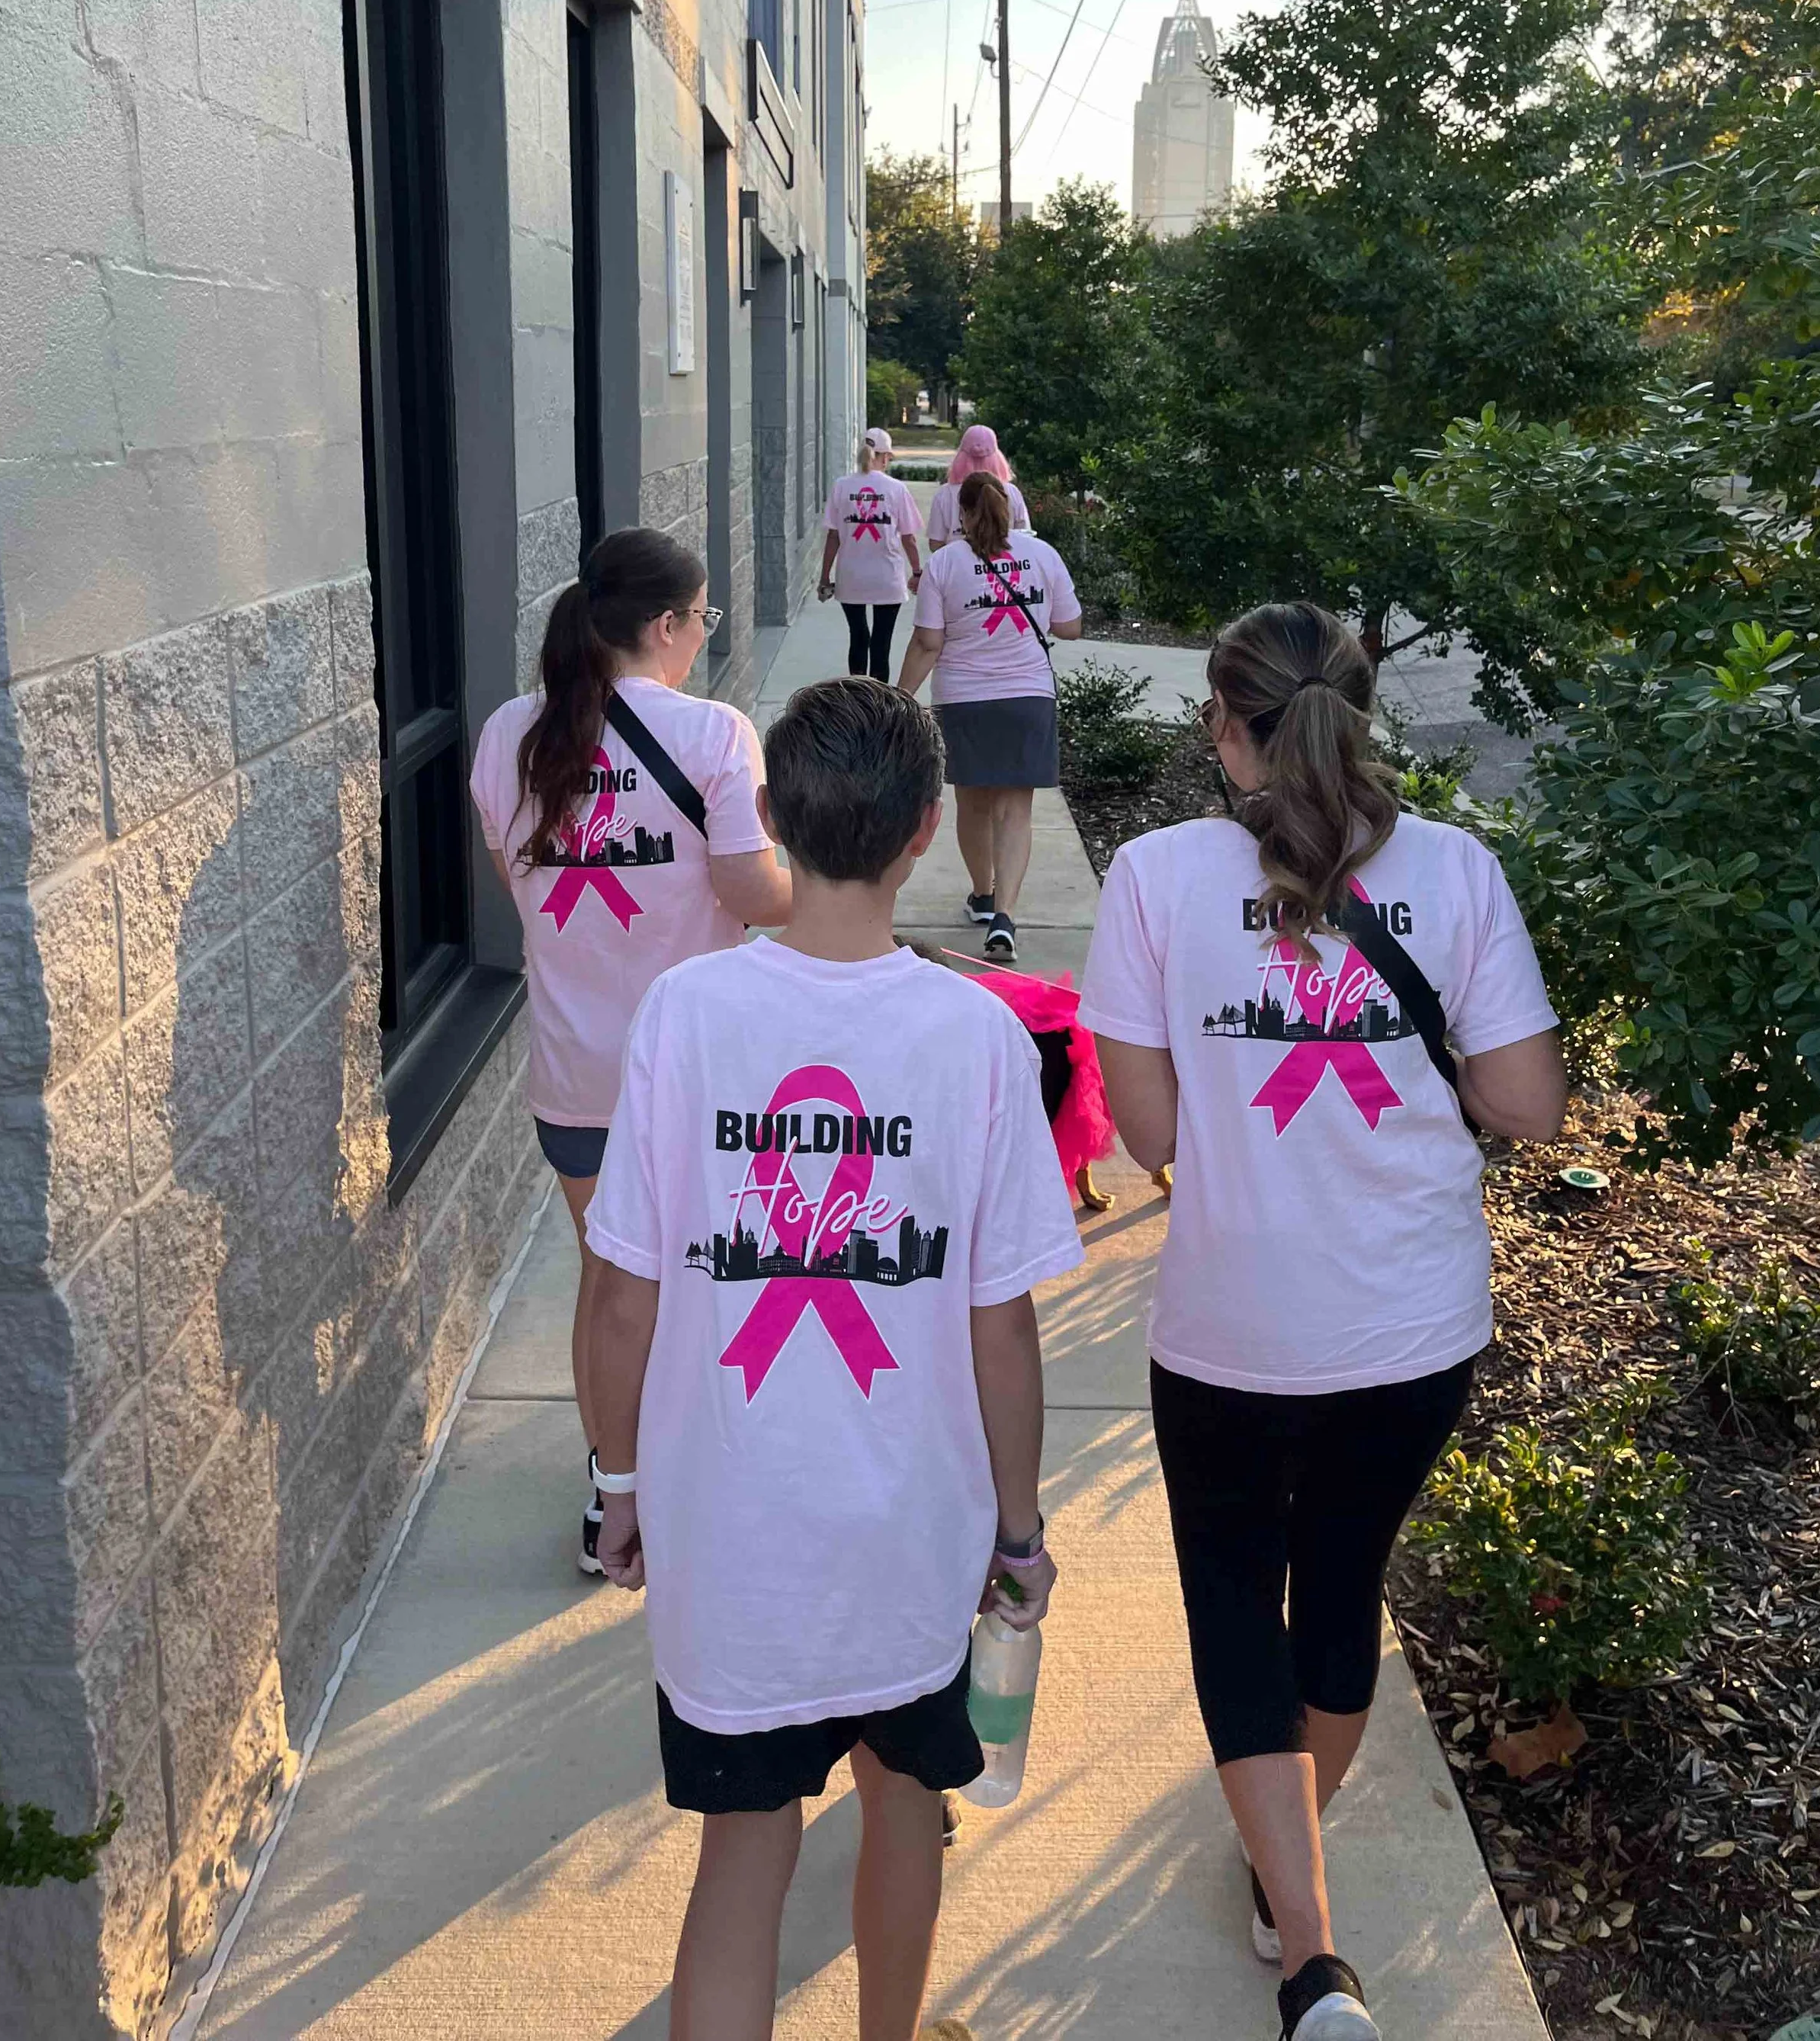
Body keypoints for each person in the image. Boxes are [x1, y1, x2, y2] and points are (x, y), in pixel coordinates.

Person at [1077, 601, 1566, 2041]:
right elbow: (1532, 1107)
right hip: (1411, 1327)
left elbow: (1147, 1129)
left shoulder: (1159, 879)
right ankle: (1277, 1874)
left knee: (1236, 1606)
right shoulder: (1458, 871)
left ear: (1227, 730)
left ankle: (1313, 1958)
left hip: (1231, 1321)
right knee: (1340, 1586)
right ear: (1360, 713)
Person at [586, 678, 1083, 2041]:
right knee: (904, 1808)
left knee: (741, 1859)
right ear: (928, 827)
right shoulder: (978, 1036)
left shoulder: (686, 1015)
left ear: (766, 817)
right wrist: (1021, 1525)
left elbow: (622, 1294)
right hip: (907, 1532)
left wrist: (619, 1481)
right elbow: (1000, 1320)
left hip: (732, 1530)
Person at [470, 528, 791, 1578]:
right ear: (665, 626)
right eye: (701, 621)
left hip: (575, 1073)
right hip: (699, 1072)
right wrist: (819, 883)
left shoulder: (508, 735)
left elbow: (521, 879)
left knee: (611, 1281)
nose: (702, 638)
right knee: (707, 1279)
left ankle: (614, 1492)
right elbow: (751, 894)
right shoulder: (713, 734)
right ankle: (696, 1480)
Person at [898, 470, 1081, 964]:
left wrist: (899, 694)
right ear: (1013, 508)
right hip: (1028, 697)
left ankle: (982, 895)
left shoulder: (945, 564)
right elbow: (1070, 625)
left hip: (964, 699)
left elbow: (928, 642)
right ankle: (1005, 916)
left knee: (973, 802)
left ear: (962, 512)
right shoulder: (1042, 555)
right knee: (1014, 810)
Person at [817, 427, 925, 680]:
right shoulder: (897, 489)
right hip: (887, 576)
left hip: (851, 575)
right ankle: (879, 701)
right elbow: (909, 538)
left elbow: (833, 536)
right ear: (885, 456)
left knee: (858, 636)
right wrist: (917, 572)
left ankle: (856, 695)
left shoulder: (842, 486)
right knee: (881, 642)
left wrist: (825, 576)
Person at [926, 422, 1030, 552]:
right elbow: (1025, 535)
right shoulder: (1011, 492)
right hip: (1006, 567)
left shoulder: (945, 494)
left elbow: (936, 544)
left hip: (960, 568)